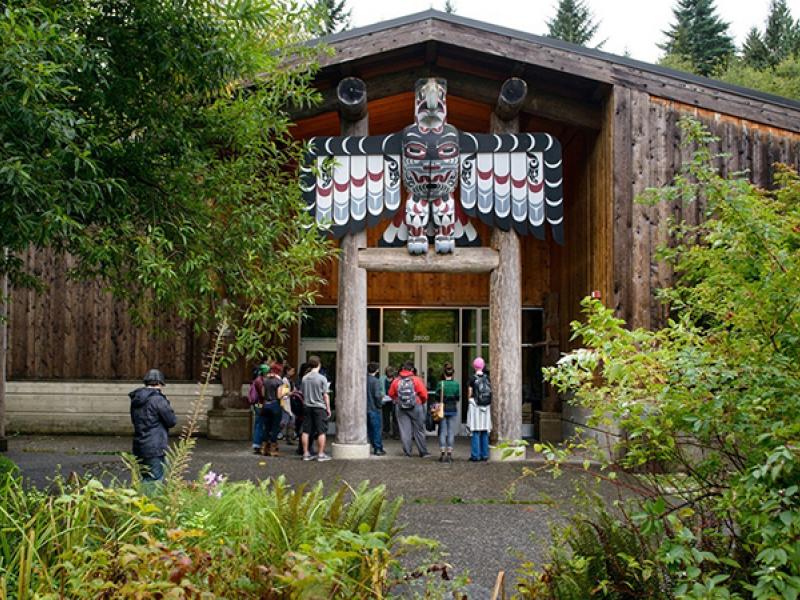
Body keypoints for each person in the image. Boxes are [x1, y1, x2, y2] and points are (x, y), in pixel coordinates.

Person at [129, 368, 177, 482]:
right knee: (155, 480)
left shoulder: (136, 399)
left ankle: (141, 499)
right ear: (160, 383)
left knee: (145, 477)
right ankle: (149, 499)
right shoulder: (158, 400)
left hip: (139, 444)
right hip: (155, 446)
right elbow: (172, 421)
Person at [388, 361, 429, 457]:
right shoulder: (416, 380)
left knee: (405, 431)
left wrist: (397, 400)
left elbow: (390, 393)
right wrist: (421, 402)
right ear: (411, 369)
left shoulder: (396, 380)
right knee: (419, 430)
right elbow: (424, 394)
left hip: (401, 407)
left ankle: (407, 452)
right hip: (416, 406)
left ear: (402, 369)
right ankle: (423, 452)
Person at [301, 355, 332, 461]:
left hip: (307, 406)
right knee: (321, 431)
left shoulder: (304, 378)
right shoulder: (322, 378)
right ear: (319, 364)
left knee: (306, 431)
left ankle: (306, 453)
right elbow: (325, 395)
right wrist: (328, 408)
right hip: (319, 407)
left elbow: (302, 393)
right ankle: (321, 454)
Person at [433, 362, 460, 463]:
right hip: (452, 409)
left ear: (444, 374)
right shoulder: (456, 384)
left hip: (442, 409)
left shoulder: (441, 384)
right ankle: (449, 454)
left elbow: (436, 396)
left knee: (442, 431)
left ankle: (442, 453)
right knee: (450, 432)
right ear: (452, 374)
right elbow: (458, 397)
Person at [467, 357, 492, 462]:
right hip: (486, 406)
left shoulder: (472, 379)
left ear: (474, 366)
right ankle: (485, 454)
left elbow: (470, 392)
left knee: (476, 431)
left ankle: (475, 455)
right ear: (483, 366)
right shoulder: (487, 378)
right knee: (485, 431)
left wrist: (469, 399)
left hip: (475, 406)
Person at [260, 362, 284, 457]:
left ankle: (264, 447)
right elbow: (279, 395)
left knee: (266, 426)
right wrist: (285, 394)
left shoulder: (265, 380)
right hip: (275, 405)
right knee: (275, 427)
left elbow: (262, 393)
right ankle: (273, 448)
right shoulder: (279, 382)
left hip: (265, 405)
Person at [366, 362, 386, 456]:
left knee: (370, 429)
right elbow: (377, 396)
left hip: (365, 408)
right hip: (374, 408)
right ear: (377, 370)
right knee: (377, 429)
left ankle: (374, 446)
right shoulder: (375, 381)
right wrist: (380, 404)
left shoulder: (364, 380)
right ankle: (378, 448)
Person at [250, 363, 269, 454]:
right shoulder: (260, 381)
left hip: (257, 403)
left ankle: (258, 443)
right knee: (260, 422)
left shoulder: (256, 379)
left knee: (258, 422)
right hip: (260, 403)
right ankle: (257, 444)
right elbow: (263, 394)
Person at [382, 366, 399, 439]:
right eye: (388, 372)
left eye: (391, 372)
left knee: (395, 418)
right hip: (385, 401)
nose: (389, 373)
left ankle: (396, 434)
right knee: (386, 417)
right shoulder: (382, 379)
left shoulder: (396, 380)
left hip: (394, 401)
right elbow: (380, 388)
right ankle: (386, 432)